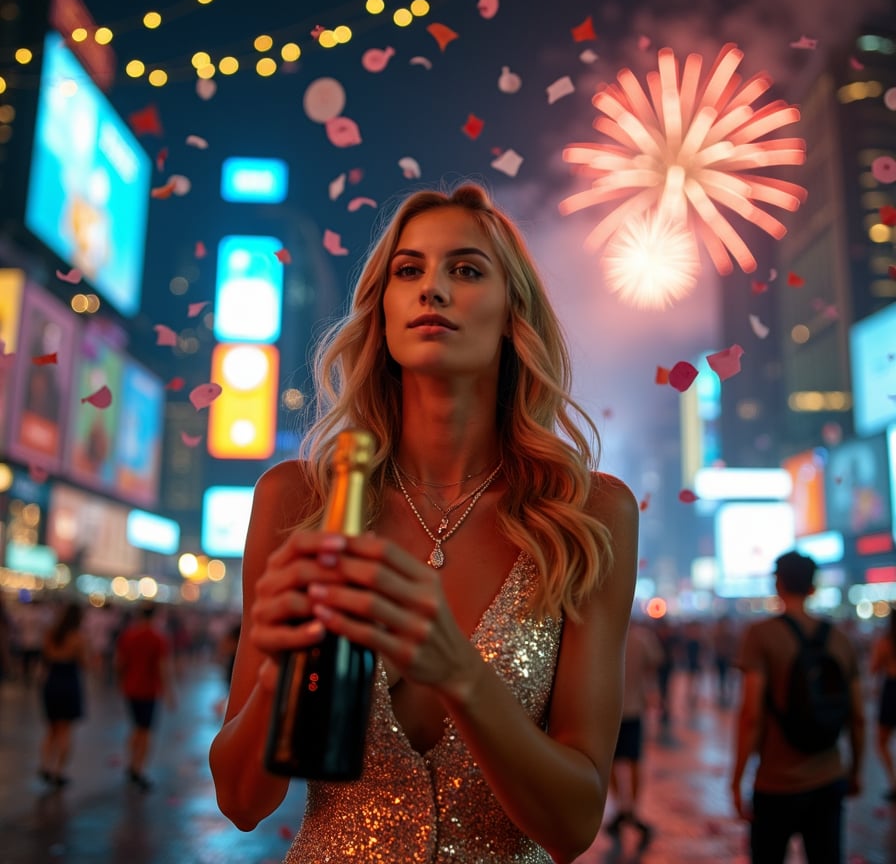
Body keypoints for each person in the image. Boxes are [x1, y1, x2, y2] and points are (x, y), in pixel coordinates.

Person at [209, 182, 639, 863]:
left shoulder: (585, 515)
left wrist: (459, 674)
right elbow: (240, 802)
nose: (431, 289)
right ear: (381, 310)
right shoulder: (298, 500)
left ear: (512, 313)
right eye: (408, 271)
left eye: (465, 270)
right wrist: (278, 678)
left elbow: (574, 825)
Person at [730, 551, 865, 864]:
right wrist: (855, 771)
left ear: (777, 584)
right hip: (829, 776)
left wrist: (737, 780)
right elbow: (858, 717)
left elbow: (751, 716)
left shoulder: (760, 635)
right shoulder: (841, 639)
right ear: (813, 587)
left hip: (776, 782)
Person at [604, 618, 663, 848]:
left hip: (610, 711)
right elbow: (654, 664)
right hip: (634, 708)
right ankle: (631, 809)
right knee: (635, 761)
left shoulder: (606, 637)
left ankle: (622, 806)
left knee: (610, 763)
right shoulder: (643, 638)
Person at [115, 602, 175, 791]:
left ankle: (131, 763)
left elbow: (119, 662)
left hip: (130, 688)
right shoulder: (158, 638)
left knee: (136, 727)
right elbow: (162, 667)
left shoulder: (128, 635)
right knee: (146, 731)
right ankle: (138, 769)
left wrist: (121, 682)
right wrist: (169, 692)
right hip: (148, 690)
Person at [38, 600, 89, 788]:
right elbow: (85, 663)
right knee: (65, 730)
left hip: (51, 681)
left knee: (51, 729)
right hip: (69, 682)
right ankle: (59, 771)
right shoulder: (78, 637)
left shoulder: (51, 634)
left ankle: (45, 765)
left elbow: (45, 658)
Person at [869, 607, 896, 801]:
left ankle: (894, 782)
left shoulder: (885, 642)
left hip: (892, 691)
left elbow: (874, 668)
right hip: (890, 691)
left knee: (881, 742)